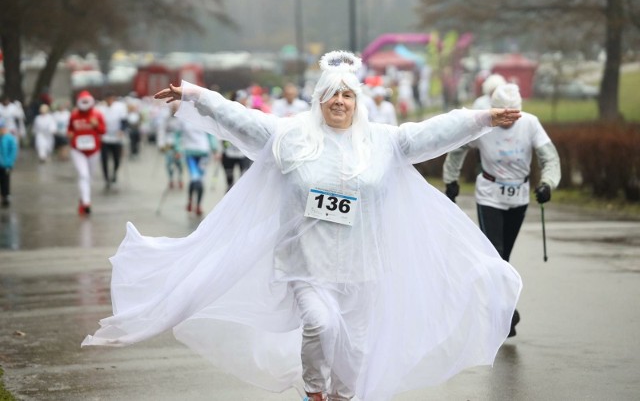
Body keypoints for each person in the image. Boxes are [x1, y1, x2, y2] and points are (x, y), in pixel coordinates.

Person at [83, 51, 523, 401]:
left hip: (363, 265)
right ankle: (315, 391)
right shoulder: (289, 135)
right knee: (321, 324)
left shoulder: (384, 142)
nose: (339, 102)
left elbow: (433, 132)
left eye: (347, 95)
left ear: (357, 101)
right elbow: (241, 118)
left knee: (356, 348)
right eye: (331, 95)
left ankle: (341, 397)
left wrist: (482, 119)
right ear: (318, 99)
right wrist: (197, 95)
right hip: (305, 262)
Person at [442, 83, 561, 338]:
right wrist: (451, 180)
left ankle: (501, 310)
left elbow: (549, 158)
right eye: (503, 115)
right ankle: (506, 314)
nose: (508, 121)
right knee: (495, 254)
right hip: (490, 195)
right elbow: (457, 149)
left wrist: (547, 184)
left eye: (514, 115)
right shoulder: (483, 124)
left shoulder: (530, 123)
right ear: (493, 109)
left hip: (518, 196)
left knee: (503, 257)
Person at [67, 90, 106, 216]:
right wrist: (69, 134)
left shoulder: (97, 114)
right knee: (83, 175)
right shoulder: (74, 115)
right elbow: (69, 128)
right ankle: (86, 202)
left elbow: (103, 130)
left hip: (93, 150)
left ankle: (83, 198)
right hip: (78, 150)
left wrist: (96, 125)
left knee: (89, 176)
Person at [220, 90, 252, 191]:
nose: (245, 101)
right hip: (229, 151)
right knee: (229, 181)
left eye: (245, 99)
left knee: (245, 180)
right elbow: (220, 130)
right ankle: (228, 202)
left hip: (244, 153)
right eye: (242, 99)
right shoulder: (227, 113)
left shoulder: (250, 113)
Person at [97, 92, 128, 190]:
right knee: (104, 159)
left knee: (117, 159)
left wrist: (122, 130)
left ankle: (114, 173)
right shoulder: (100, 109)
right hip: (104, 138)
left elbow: (124, 121)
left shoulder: (120, 107)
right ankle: (106, 178)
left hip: (116, 137)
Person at [0, 119, 19, 208]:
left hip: (5, 165)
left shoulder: (9, 138)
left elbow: (13, 152)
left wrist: (10, 163)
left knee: (5, 181)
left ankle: (5, 196)